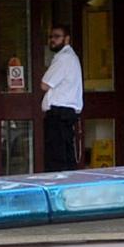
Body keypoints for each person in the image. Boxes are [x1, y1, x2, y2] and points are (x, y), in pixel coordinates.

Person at [40, 23, 83, 170]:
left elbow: (44, 84)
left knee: (57, 158)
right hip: (65, 112)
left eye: (57, 37)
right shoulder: (69, 57)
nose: (52, 40)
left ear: (67, 39)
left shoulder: (63, 58)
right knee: (65, 155)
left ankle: (57, 188)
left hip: (59, 113)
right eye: (51, 37)